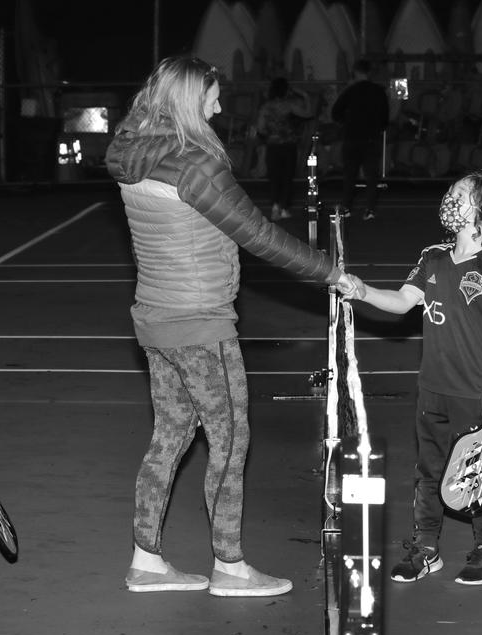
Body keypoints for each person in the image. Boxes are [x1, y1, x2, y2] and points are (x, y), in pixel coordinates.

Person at [106, 55, 357, 598]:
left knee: (168, 438)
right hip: (201, 325)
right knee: (230, 442)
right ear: (189, 99)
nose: (220, 105)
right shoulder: (196, 166)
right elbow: (261, 236)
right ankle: (230, 566)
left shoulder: (130, 153)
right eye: (212, 96)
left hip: (153, 318)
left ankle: (145, 560)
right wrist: (334, 275)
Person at [344, 171, 482, 585]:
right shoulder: (433, 256)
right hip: (432, 387)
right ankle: (426, 548)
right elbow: (403, 301)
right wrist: (362, 290)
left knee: (474, 474)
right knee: (429, 471)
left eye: (459, 194)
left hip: (474, 393)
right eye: (451, 192)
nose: (449, 198)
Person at [330, 59, 389, 221]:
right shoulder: (378, 91)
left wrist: (346, 122)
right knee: (371, 175)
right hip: (371, 137)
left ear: (355, 72)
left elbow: (335, 112)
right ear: (370, 72)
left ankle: (347, 207)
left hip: (352, 136)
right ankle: (369, 209)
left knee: (350, 174)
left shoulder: (350, 91)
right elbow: (385, 117)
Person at [255, 77, 314, 220]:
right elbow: (308, 113)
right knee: (287, 177)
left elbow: (260, 128)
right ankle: (284, 207)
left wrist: (270, 133)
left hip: (272, 145)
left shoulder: (265, 107)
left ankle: (275, 205)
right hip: (289, 146)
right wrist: (305, 96)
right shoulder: (290, 105)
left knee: (274, 177)